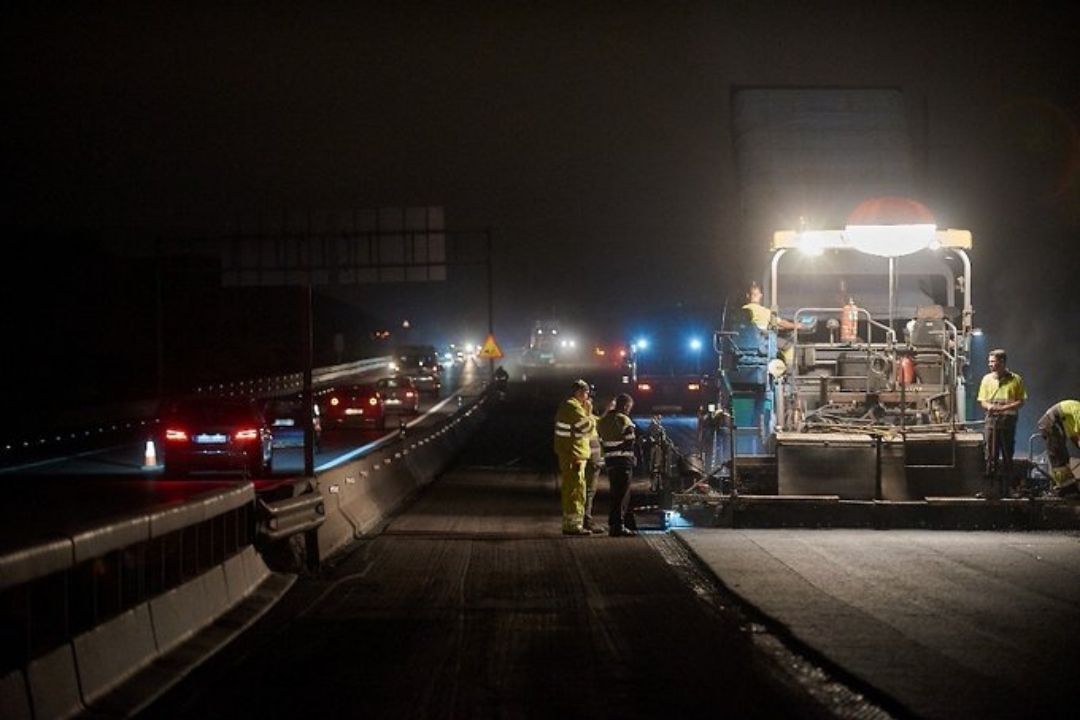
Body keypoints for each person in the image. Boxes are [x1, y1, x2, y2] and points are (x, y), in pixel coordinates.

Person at [976, 349, 1027, 496]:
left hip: (1008, 422)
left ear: (1003, 362)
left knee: (1006, 456)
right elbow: (982, 400)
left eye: (993, 361)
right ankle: (989, 490)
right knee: (990, 455)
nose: (990, 364)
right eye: (989, 361)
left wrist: (1003, 408)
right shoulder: (986, 379)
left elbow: (1021, 401)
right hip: (991, 422)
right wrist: (990, 406)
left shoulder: (1016, 379)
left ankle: (1008, 489)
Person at [553, 379, 597, 535]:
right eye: (586, 393)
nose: (588, 397)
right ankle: (573, 526)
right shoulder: (573, 407)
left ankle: (570, 524)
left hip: (570, 453)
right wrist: (589, 412)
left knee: (572, 488)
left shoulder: (569, 406)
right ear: (579, 392)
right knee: (576, 490)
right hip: (574, 454)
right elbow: (587, 429)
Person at [597, 393, 638, 536]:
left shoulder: (603, 420)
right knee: (622, 495)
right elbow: (630, 439)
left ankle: (613, 524)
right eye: (629, 407)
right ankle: (618, 526)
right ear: (626, 406)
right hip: (623, 462)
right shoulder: (624, 419)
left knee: (615, 494)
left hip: (610, 461)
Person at [742, 281, 798, 366]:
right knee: (789, 347)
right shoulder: (763, 311)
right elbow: (782, 323)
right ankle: (790, 374)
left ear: (747, 295)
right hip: (762, 342)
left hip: (744, 344)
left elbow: (757, 326)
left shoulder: (741, 311)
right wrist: (797, 325)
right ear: (760, 295)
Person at [581, 393, 611, 534]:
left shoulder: (588, 417)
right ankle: (586, 520)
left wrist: (608, 409)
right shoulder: (583, 418)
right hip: (590, 461)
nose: (592, 403)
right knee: (588, 491)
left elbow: (598, 421)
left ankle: (586, 519)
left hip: (592, 460)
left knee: (589, 491)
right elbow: (590, 426)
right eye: (589, 401)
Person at [1036, 399, 1080, 495]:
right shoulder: (1078, 412)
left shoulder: (1074, 414)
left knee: (1063, 456)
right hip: (1050, 423)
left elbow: (1074, 437)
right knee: (1058, 458)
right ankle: (1066, 489)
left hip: (1055, 425)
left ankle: (1068, 487)